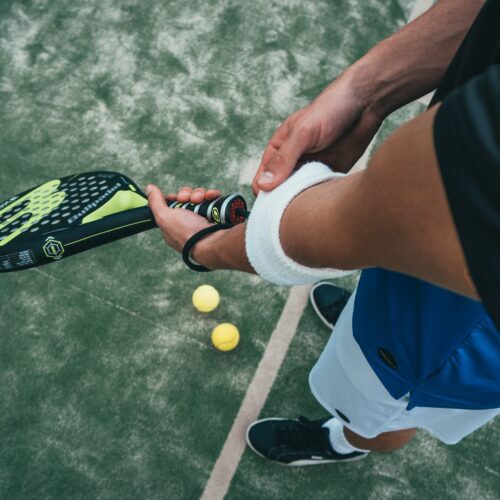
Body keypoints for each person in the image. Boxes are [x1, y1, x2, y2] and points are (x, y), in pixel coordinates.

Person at [146, 0, 500, 465]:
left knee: (383, 410)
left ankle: (346, 441)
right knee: (379, 303)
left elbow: (397, 215)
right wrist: (363, 92)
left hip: (459, 328)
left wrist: (207, 247)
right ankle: (365, 316)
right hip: (438, 256)